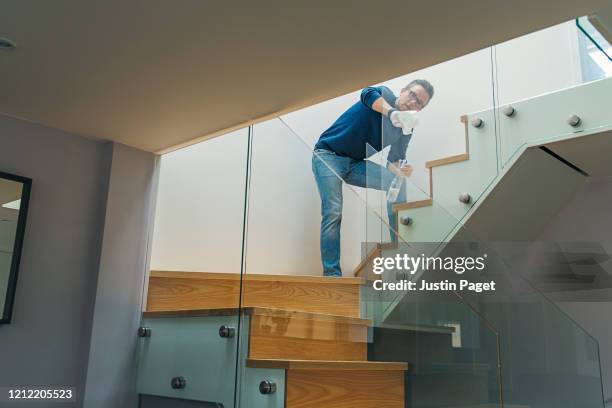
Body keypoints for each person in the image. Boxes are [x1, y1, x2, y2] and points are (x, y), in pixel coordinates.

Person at [312, 79, 434, 277]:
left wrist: (402, 170)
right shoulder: (384, 95)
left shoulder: (406, 128)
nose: (413, 102)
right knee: (333, 212)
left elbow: (394, 162)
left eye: (419, 102)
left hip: (355, 164)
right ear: (403, 91)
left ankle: (398, 248)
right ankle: (332, 275)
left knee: (397, 184)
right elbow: (366, 93)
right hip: (327, 155)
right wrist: (392, 113)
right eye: (412, 95)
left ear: (420, 110)